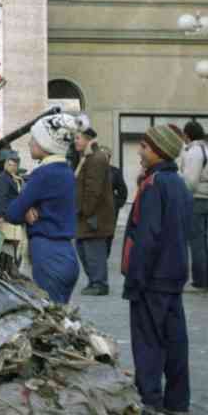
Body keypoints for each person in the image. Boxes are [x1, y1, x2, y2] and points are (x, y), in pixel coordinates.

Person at [123, 125, 192, 415]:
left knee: (148, 341)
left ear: (159, 151)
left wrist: (136, 281)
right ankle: (177, 402)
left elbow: (147, 237)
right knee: (175, 341)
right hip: (174, 275)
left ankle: (150, 401)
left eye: (145, 147)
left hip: (151, 279)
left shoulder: (153, 185)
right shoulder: (178, 183)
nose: (140, 152)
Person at [6, 113, 83, 304]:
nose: (30, 143)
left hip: (47, 254)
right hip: (66, 253)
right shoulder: (66, 172)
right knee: (61, 316)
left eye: (34, 139)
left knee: (49, 318)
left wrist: (24, 210)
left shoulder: (42, 174)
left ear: (46, 144)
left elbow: (13, 213)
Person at [74, 127, 116, 296]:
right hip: (87, 215)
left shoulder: (96, 159)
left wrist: (85, 211)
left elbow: (93, 189)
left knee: (94, 251)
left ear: (87, 139)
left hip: (93, 216)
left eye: (78, 138)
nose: (75, 141)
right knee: (85, 249)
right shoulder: (88, 157)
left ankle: (99, 284)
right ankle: (94, 282)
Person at [179, 120, 208, 291]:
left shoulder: (194, 152)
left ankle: (199, 282)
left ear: (187, 134)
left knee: (195, 243)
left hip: (195, 199)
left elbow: (190, 181)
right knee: (202, 242)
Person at [0, 151, 26, 273]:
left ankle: (9, 269)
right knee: (6, 241)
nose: (11, 167)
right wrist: (0, 215)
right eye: (9, 164)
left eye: (14, 165)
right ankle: (5, 269)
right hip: (5, 215)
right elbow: (1, 198)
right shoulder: (2, 179)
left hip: (13, 215)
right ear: (5, 164)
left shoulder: (15, 179)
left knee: (13, 242)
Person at [100, 146, 129, 256]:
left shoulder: (115, 172)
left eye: (105, 155)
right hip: (94, 211)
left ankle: (104, 256)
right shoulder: (91, 170)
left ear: (109, 158)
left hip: (110, 212)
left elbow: (123, 192)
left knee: (107, 237)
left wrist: (115, 205)